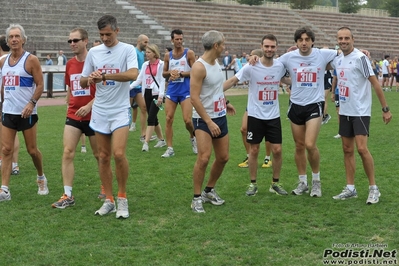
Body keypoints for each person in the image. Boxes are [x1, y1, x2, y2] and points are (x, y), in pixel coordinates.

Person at [80, 15, 138, 218]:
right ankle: (109, 200)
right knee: (103, 157)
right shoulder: (94, 53)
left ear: (117, 31)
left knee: (119, 154)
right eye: (101, 35)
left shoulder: (127, 50)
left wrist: (104, 76)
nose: (105, 38)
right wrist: (91, 79)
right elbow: (82, 82)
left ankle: (122, 198)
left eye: (108, 34)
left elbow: (132, 75)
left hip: (120, 109)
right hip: (100, 111)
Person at [330, 27, 392, 204]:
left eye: (346, 38)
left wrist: (385, 109)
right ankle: (350, 188)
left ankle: (374, 188)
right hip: (345, 111)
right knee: (347, 149)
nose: (343, 41)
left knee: (362, 149)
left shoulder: (360, 58)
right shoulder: (338, 59)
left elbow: (375, 84)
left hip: (360, 112)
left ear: (353, 39)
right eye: (340, 38)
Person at [224, 34, 289, 196]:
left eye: (272, 47)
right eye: (266, 46)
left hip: (273, 115)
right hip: (255, 115)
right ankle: (253, 184)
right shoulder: (250, 67)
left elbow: (292, 72)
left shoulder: (280, 66)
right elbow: (233, 81)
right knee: (254, 150)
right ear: (262, 47)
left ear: (276, 48)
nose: (269, 49)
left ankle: (275, 183)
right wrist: (213, 92)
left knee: (278, 150)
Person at [278, 26, 338, 197]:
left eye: (307, 39)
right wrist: (254, 57)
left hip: (314, 104)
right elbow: (271, 65)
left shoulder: (322, 54)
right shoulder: (288, 57)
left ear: (312, 41)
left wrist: (360, 51)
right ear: (296, 42)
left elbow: (344, 54)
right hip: (295, 105)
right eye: (300, 40)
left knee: (310, 144)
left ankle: (316, 182)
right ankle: (303, 182)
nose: (304, 43)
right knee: (299, 145)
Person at [51, 28, 99, 209]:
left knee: (99, 155)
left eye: (76, 40)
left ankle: (105, 188)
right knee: (67, 152)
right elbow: (71, 86)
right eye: (70, 41)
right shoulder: (70, 64)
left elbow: (105, 91)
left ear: (85, 41)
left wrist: (89, 105)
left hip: (94, 115)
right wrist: (70, 102)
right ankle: (67, 195)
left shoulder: (95, 62)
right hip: (73, 114)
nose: (72, 44)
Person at [0, 24, 48, 202]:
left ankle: (41, 177)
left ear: (23, 39)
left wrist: (32, 103)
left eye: (17, 36)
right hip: (8, 112)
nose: (14, 39)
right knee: (6, 150)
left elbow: (40, 84)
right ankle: (4, 189)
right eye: (11, 37)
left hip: (27, 113)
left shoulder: (31, 60)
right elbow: (4, 85)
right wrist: (2, 104)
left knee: (32, 150)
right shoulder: (3, 61)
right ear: (7, 40)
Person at [190, 30, 236, 213]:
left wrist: (226, 102)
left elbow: (216, 89)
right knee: (203, 158)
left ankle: (208, 190)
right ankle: (196, 198)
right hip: (203, 119)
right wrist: (208, 121)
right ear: (216, 45)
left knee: (223, 157)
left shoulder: (215, 63)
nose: (224, 47)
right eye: (223, 44)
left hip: (220, 116)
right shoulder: (199, 67)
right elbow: (194, 98)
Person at [162, 29, 197, 157]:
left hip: (185, 90)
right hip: (172, 89)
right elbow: (163, 73)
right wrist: (171, 73)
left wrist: (181, 73)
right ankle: (170, 148)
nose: (179, 41)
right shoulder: (168, 55)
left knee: (187, 120)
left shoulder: (189, 53)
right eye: (177, 39)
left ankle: (193, 137)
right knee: (168, 118)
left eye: (181, 39)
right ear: (172, 40)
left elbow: (195, 71)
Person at [237, 49, 272, 169]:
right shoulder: (250, 67)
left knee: (267, 133)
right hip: (252, 104)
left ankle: (267, 158)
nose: (249, 57)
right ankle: (249, 156)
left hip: (267, 105)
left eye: (251, 55)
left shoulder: (268, 67)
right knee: (243, 129)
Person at [130, 44, 166, 152]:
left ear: (155, 53)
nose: (147, 54)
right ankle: (162, 140)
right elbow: (139, 79)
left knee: (150, 118)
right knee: (154, 118)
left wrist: (160, 96)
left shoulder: (161, 64)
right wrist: (129, 87)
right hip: (147, 93)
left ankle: (146, 143)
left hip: (156, 93)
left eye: (149, 52)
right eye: (146, 52)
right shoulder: (145, 65)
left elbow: (162, 81)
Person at [0, 35, 21, 175]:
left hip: (4, 100)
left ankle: (6, 160)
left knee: (6, 132)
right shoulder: (13, 59)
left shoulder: (3, 61)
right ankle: (14, 164)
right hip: (12, 100)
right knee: (13, 133)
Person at [128, 34, 149, 142]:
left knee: (144, 108)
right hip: (130, 85)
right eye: (145, 42)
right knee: (125, 110)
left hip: (138, 85)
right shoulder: (134, 52)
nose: (147, 44)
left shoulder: (141, 53)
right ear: (139, 41)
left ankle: (143, 134)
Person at [330, 69, 341, 139]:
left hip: (348, 93)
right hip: (338, 93)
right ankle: (341, 132)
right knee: (339, 112)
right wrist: (333, 92)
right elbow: (334, 80)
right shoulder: (337, 65)